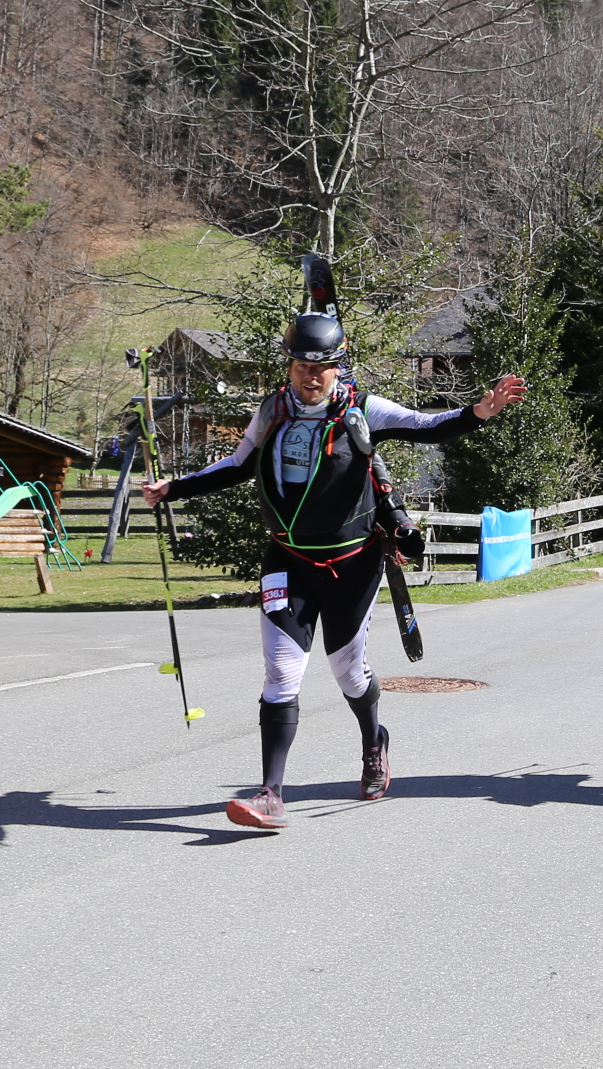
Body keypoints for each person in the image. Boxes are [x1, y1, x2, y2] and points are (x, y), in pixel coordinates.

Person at [144, 308, 526, 830]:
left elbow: (425, 426)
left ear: (337, 366)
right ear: (289, 365)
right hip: (288, 559)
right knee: (282, 672)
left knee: (348, 673)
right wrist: (175, 487)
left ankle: (374, 742)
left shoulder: (363, 408)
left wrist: (476, 412)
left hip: (352, 563)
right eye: (301, 365)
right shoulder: (272, 410)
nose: (310, 376)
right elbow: (236, 466)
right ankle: (270, 794)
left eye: (320, 366)